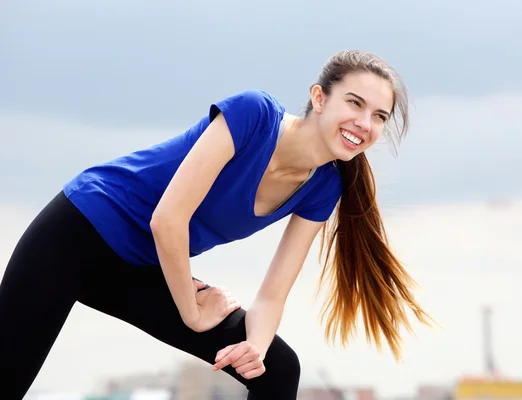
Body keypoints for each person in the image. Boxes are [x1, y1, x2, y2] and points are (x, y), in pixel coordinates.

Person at [0, 50, 433, 400]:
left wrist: (255, 347)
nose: (365, 123)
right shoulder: (253, 115)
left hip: (141, 267)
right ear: (319, 98)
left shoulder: (324, 187)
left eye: (379, 115)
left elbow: (272, 295)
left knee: (276, 368)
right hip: (77, 234)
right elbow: (168, 220)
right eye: (355, 103)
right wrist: (191, 309)